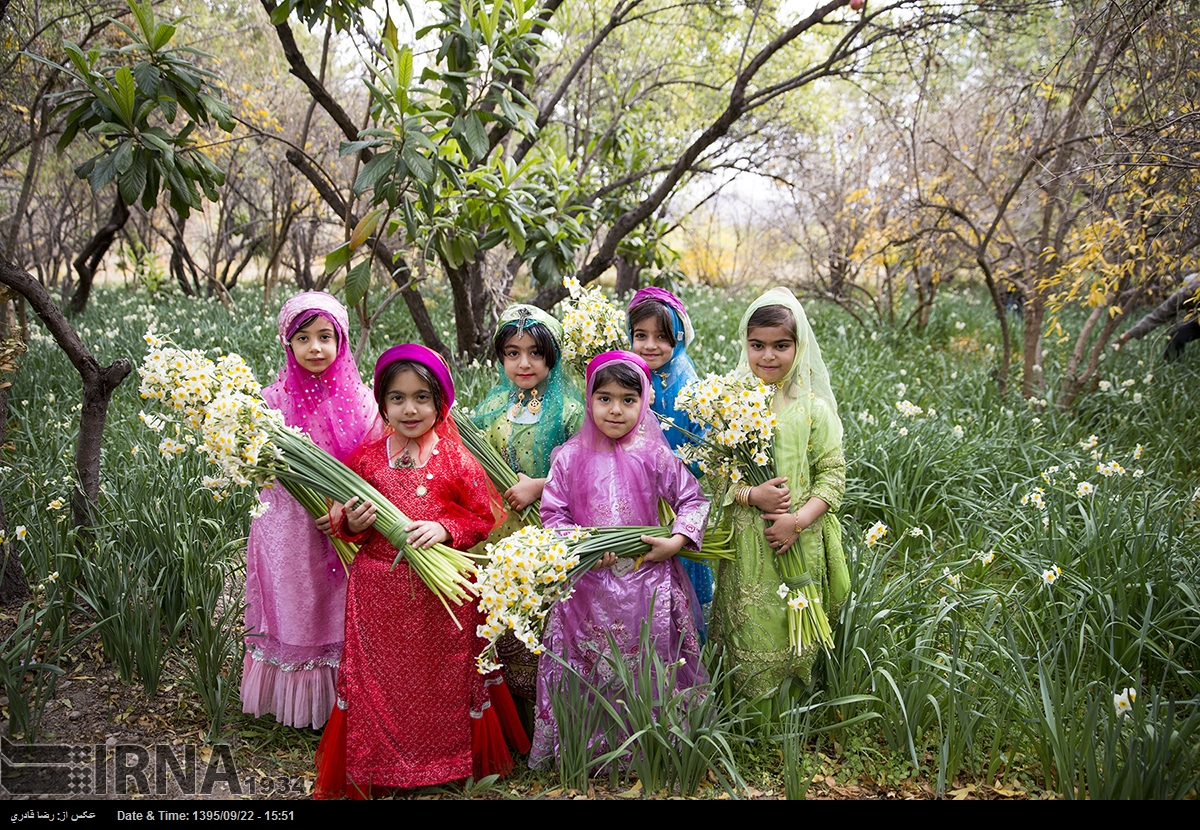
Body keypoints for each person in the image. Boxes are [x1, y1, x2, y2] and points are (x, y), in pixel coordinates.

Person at [314, 344, 527, 798]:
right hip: (378, 594)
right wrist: (351, 524)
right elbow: (342, 521)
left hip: (443, 596)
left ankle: (441, 762)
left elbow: (481, 517)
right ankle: (382, 762)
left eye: (421, 398)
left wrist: (445, 528)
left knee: (441, 679)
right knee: (381, 681)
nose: (409, 409)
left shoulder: (455, 458)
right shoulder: (366, 459)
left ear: (440, 403)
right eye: (397, 398)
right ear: (383, 403)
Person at [528, 350, 710, 769]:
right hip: (586, 587)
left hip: (649, 581)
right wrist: (583, 550)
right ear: (589, 400)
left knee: (650, 662)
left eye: (629, 399)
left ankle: (652, 747)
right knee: (588, 664)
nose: (616, 409)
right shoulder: (568, 457)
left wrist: (677, 540)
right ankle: (585, 748)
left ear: (645, 401)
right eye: (604, 397)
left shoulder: (657, 455)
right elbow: (554, 514)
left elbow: (693, 500)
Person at [241, 292, 382, 730]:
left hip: (346, 522)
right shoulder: (270, 402)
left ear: (341, 340)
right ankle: (303, 704)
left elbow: (376, 462)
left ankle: (347, 700)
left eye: (326, 337)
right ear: (287, 342)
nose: (316, 348)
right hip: (288, 524)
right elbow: (255, 466)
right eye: (303, 338)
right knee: (297, 600)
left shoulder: (362, 400)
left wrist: (348, 504)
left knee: (340, 602)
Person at [709, 287, 849, 700]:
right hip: (749, 541)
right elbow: (718, 477)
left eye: (781, 346)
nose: (768, 356)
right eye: (757, 345)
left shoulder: (813, 408)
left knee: (795, 616)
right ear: (745, 345)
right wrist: (753, 496)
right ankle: (748, 710)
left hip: (800, 538)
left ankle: (794, 705)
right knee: (752, 617)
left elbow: (833, 475)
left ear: (798, 346)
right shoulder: (729, 406)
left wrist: (796, 520)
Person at [471, 304, 585, 702]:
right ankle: (505, 707)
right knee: (500, 610)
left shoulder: (571, 412)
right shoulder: (491, 410)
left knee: (541, 609)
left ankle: (545, 707)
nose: (524, 363)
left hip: (545, 531)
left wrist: (540, 485)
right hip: (498, 531)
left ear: (553, 356)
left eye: (536, 352)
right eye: (512, 353)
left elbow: (586, 469)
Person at [626, 287, 713, 631]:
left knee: (678, 585)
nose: (650, 346)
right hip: (633, 500)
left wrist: (666, 473)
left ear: (679, 338)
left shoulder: (688, 388)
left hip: (675, 502)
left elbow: (701, 450)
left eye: (662, 337)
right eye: (640, 335)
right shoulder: (627, 379)